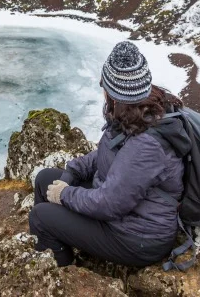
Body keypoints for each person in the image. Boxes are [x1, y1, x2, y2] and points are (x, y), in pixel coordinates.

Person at [29, 41, 190, 267]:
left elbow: (110, 204)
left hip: (137, 238)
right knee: (45, 179)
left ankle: (60, 272)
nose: (102, 89)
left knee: (40, 216)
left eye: (104, 84)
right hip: (125, 214)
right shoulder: (137, 114)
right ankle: (56, 241)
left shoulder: (147, 145)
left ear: (115, 93)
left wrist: (65, 195)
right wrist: (73, 171)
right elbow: (109, 155)